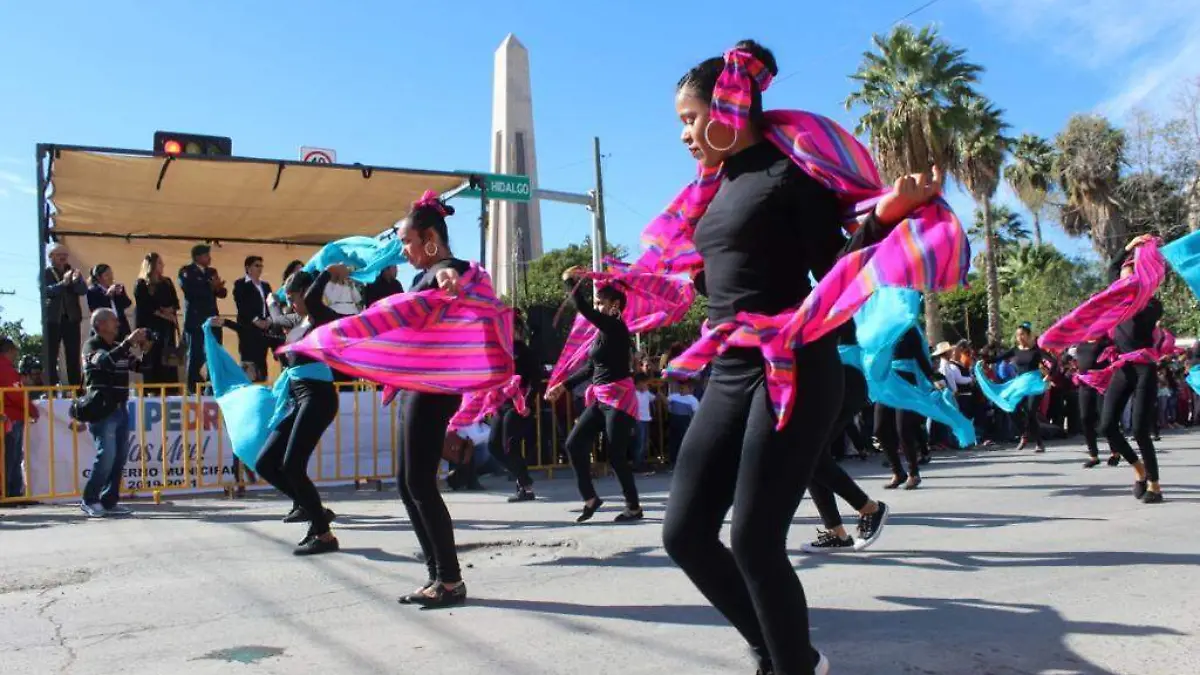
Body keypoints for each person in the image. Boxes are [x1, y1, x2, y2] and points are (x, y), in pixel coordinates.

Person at [659, 41, 944, 675]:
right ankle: (777, 648)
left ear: (728, 107)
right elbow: (721, 279)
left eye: (688, 118)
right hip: (730, 369)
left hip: (795, 365)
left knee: (755, 541)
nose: (683, 134)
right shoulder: (711, 189)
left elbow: (838, 267)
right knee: (683, 534)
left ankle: (790, 665)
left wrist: (885, 218)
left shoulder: (790, 176)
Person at [211, 264, 343, 553]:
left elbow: (314, 295)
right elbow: (264, 333)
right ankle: (315, 512)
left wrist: (326, 271)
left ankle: (323, 535)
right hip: (298, 398)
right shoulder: (298, 323)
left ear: (306, 294)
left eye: (294, 297)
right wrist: (228, 325)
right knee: (265, 461)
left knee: (293, 466)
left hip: (318, 398)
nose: (291, 303)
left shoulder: (321, 317)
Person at [393, 193, 469, 608]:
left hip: (433, 389)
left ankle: (451, 580)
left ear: (430, 238)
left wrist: (445, 276)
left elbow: (450, 272)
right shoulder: (420, 276)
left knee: (420, 483)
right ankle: (437, 576)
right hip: (415, 387)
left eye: (408, 242)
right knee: (408, 484)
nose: (404, 251)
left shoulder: (445, 269)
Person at [546, 268, 642, 524]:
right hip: (600, 399)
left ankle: (633, 507)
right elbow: (591, 368)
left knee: (616, 454)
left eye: (601, 302)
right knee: (573, 444)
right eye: (597, 302)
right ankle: (590, 498)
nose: (597, 306)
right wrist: (562, 387)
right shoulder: (601, 335)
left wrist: (570, 282)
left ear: (615, 305)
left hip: (619, 399)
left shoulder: (617, 328)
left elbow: (585, 311)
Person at [1098, 235, 1164, 503]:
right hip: (1122, 367)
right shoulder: (1116, 303)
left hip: (1144, 368)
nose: (1122, 282)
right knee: (1107, 426)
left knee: (1139, 429)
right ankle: (1139, 471)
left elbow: (1141, 294)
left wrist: (1141, 266)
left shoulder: (1151, 305)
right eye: (1121, 279)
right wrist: (1129, 247)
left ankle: (1155, 486)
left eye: (1129, 277)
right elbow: (1112, 270)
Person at [79, 309, 149, 517]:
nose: (118, 324)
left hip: (120, 408)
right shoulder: (92, 345)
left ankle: (109, 501)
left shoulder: (118, 347)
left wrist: (147, 348)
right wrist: (128, 342)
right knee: (106, 456)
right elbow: (105, 363)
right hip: (102, 409)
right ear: (100, 324)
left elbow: (140, 366)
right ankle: (89, 499)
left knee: (119, 457)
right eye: (113, 320)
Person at [877, 328, 944, 490]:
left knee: (903, 428)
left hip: (906, 382)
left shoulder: (908, 329)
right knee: (879, 429)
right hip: (887, 382)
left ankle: (913, 473)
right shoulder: (881, 327)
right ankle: (898, 472)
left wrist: (932, 376)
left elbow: (920, 356)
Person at [494, 314, 541, 502]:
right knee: (493, 446)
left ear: (518, 330)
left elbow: (535, 380)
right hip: (501, 403)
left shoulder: (527, 352)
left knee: (509, 445)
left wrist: (527, 403)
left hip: (518, 404)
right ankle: (524, 478)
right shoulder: (500, 351)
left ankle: (525, 486)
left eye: (511, 327)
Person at [986, 323, 1054, 452]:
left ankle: (1039, 443)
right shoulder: (1015, 350)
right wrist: (984, 360)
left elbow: (1054, 362)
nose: (1020, 337)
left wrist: (1049, 376)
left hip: (1035, 384)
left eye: (1022, 334)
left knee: (1030, 412)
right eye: (1017, 335)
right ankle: (1024, 434)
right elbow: (997, 359)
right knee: (1011, 408)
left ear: (1028, 335)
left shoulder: (1036, 350)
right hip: (1020, 385)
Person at [179, 244, 228, 391]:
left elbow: (222, 293)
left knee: (213, 354)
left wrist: (218, 288)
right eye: (206, 255)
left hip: (212, 320)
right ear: (198, 257)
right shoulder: (186, 271)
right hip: (196, 321)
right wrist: (210, 288)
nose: (209, 258)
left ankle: (211, 387)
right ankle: (193, 389)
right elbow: (190, 291)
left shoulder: (212, 272)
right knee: (195, 355)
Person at [42, 242, 87, 388]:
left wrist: (76, 281)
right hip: (53, 320)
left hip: (71, 319)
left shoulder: (73, 272)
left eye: (65, 255)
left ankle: (75, 388)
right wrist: (64, 283)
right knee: (51, 356)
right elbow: (47, 291)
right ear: (51, 257)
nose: (63, 258)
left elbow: (83, 290)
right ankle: (51, 388)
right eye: (59, 255)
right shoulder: (46, 273)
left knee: (73, 355)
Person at [133, 253, 182, 386]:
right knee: (152, 358)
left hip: (166, 327)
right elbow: (145, 306)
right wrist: (162, 312)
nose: (162, 266)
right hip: (150, 327)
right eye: (159, 263)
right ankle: (152, 389)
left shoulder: (167, 282)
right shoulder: (141, 284)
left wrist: (170, 310)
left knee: (168, 359)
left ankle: (171, 388)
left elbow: (176, 302)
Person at [1, 338, 39, 499]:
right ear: (9, 351)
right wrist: (33, 410)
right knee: (11, 457)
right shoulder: (6, 368)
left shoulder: (6, 368)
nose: (17, 354)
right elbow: (17, 394)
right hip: (11, 418)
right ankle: (9, 493)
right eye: (15, 351)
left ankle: (12, 492)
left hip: (10, 416)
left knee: (13, 457)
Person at [232, 256, 273, 383]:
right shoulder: (240, 284)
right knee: (249, 360)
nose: (260, 268)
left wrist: (269, 320)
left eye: (261, 266)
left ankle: (262, 384)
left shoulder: (265, 286)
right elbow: (242, 305)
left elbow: (270, 305)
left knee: (262, 359)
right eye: (256, 265)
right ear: (248, 268)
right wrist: (256, 321)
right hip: (248, 329)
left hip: (264, 330)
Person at [1075, 336, 1113, 468]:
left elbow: (1113, 359)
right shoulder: (1081, 342)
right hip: (1084, 384)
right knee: (1085, 418)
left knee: (1105, 421)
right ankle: (1093, 455)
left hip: (1101, 385)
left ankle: (1115, 451)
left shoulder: (1105, 342)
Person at [85, 264, 132, 339]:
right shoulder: (92, 291)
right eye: (107, 275)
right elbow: (95, 309)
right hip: (104, 329)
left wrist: (121, 294)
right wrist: (108, 295)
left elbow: (127, 304)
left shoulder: (117, 288)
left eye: (111, 274)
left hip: (119, 327)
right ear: (98, 277)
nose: (111, 277)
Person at [666, 380, 700, 466]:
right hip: (674, 421)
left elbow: (696, 413)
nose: (681, 390)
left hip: (685, 423)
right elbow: (666, 402)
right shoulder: (674, 396)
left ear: (690, 389)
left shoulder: (693, 400)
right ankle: (673, 461)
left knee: (683, 441)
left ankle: (683, 462)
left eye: (683, 388)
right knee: (673, 441)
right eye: (680, 388)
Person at [632, 374, 657, 470]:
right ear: (639, 384)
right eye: (645, 383)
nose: (647, 385)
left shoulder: (647, 393)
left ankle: (642, 462)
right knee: (640, 442)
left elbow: (654, 398)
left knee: (645, 442)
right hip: (638, 420)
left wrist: (658, 392)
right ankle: (637, 464)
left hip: (646, 419)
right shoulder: (634, 393)